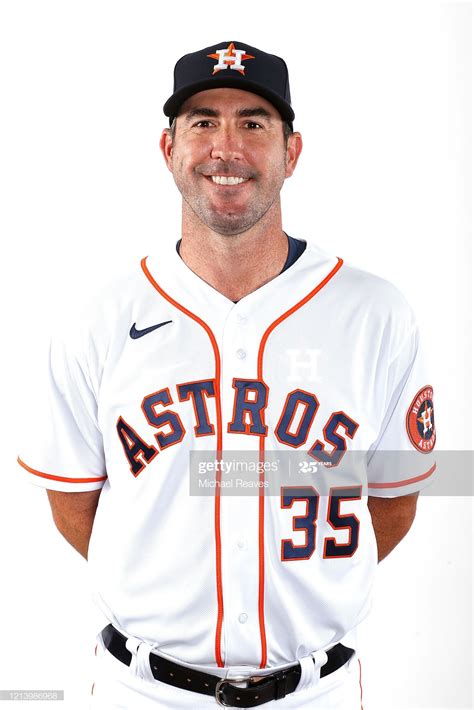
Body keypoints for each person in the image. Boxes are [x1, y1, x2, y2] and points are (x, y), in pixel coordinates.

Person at [17, 41, 437, 709]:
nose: (227, 147)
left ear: (291, 152)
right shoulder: (99, 317)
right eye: (203, 122)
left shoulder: (375, 312)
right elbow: (76, 506)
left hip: (315, 693)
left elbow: (393, 499)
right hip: (140, 692)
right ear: (168, 148)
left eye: (254, 123)